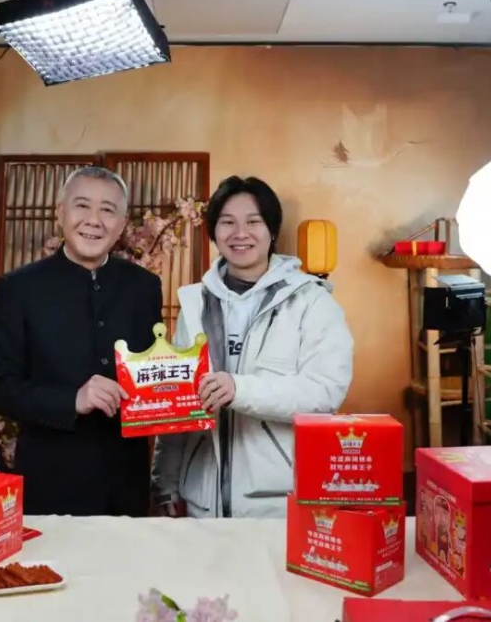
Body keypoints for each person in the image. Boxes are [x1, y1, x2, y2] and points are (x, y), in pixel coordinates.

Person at [151, 175, 354, 519]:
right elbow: (178, 404)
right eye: (227, 222)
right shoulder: (194, 304)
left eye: (253, 222)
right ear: (214, 232)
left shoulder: (311, 301)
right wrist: (164, 483)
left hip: (277, 502)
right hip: (201, 503)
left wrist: (239, 389)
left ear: (272, 231)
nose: (240, 233)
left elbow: (325, 392)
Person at [0, 166, 163, 517]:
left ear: (122, 224)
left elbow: (152, 371)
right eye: (82, 206)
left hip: (127, 483)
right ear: (60, 213)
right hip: (50, 481)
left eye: (107, 210)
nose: (94, 220)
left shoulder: (144, 287)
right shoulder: (19, 289)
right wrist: (72, 400)